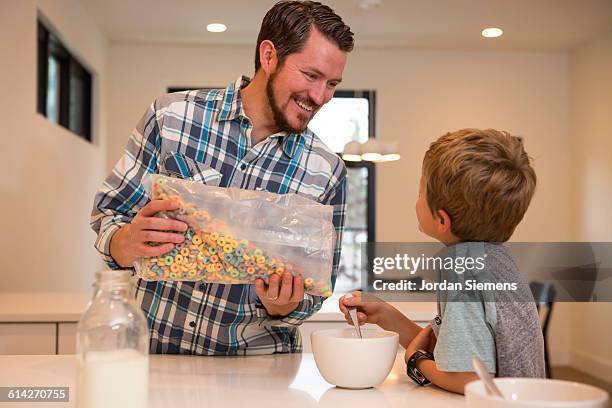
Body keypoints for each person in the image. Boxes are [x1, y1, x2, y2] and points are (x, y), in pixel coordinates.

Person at [91, 1, 354, 355]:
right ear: (269, 55)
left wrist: (282, 305)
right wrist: (124, 242)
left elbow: (317, 288)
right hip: (151, 355)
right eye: (311, 76)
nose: (320, 97)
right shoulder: (171, 117)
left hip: (254, 370)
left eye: (332, 84)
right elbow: (109, 215)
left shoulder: (327, 171)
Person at [340, 129, 545, 394]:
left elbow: (469, 379)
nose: (416, 202)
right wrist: (388, 316)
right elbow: (458, 354)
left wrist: (417, 361)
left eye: (420, 193)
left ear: (442, 220)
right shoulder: (493, 259)